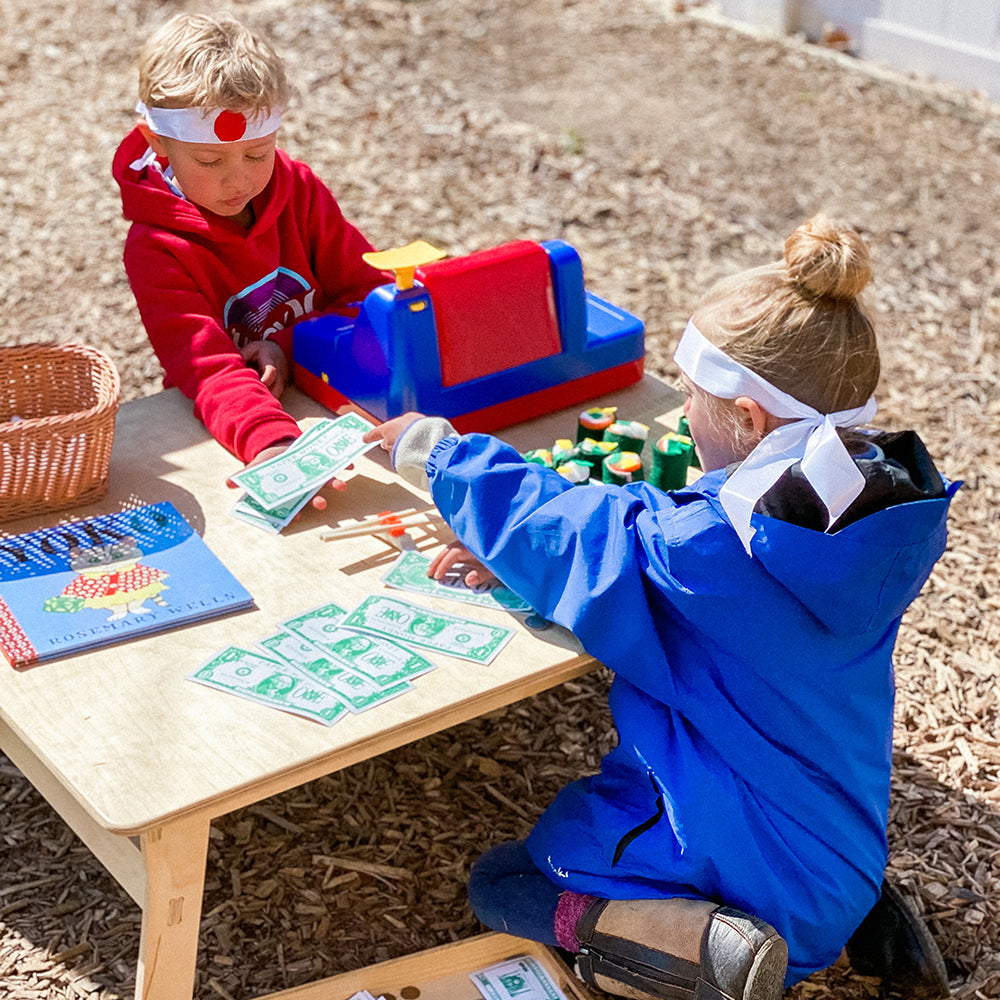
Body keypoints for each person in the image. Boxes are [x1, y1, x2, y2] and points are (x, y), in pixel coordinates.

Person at [363, 217, 958, 1000]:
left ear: (747, 419)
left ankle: (710, 954)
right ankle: (860, 921)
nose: (682, 415)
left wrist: (436, 452)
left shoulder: (703, 554)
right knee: (798, 836)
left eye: (692, 398)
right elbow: (652, 527)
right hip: (840, 849)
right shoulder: (879, 515)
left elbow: (578, 536)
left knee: (502, 880)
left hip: (751, 872)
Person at [112, 13, 386, 486]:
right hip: (231, 419)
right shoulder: (157, 247)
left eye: (257, 154)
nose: (238, 180)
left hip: (327, 389)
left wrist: (285, 347)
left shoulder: (297, 189)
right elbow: (206, 368)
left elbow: (367, 293)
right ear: (156, 141)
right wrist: (271, 442)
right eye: (210, 160)